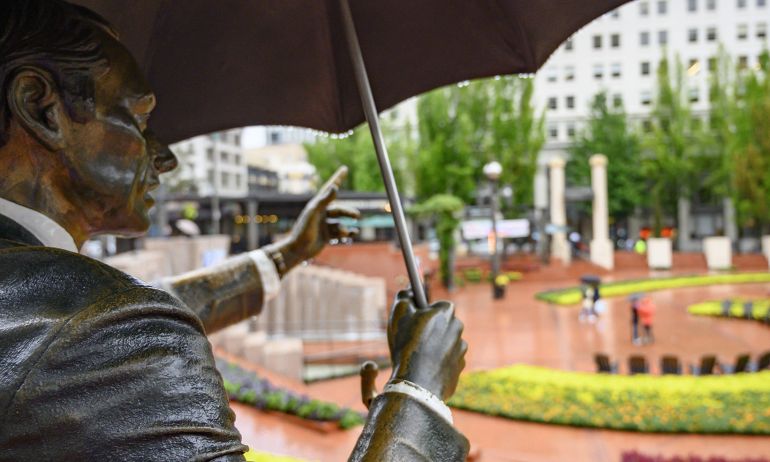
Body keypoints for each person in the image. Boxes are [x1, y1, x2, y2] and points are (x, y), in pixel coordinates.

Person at [0, 1, 469, 460]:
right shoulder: (103, 333)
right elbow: (109, 326)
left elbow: (101, 314)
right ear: (40, 107)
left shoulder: (54, 312)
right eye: (140, 120)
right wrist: (418, 391)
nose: (165, 156)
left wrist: (287, 255)